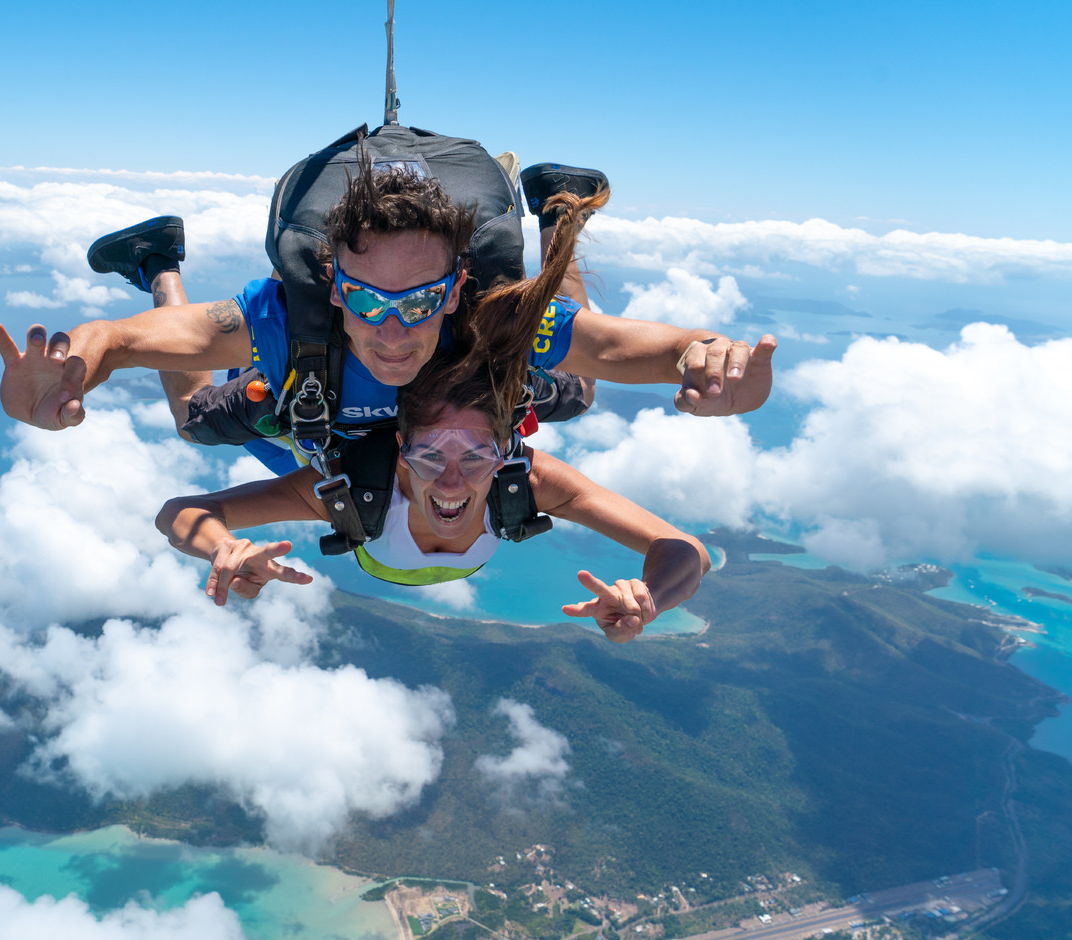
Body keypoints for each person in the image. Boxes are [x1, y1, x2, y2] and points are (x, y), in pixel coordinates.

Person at [154, 193, 711, 641]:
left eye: (474, 454)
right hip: (411, 410)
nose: (450, 480)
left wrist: (219, 545)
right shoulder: (520, 483)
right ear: (402, 451)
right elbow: (686, 552)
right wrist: (652, 597)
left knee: (196, 422)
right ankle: (163, 266)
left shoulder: (349, 490)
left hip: (348, 441)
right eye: (430, 454)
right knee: (577, 389)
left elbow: (181, 514)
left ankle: (560, 209)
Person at [0, 149, 776, 445]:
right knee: (198, 420)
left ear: (458, 289)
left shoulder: (492, 320)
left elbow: (644, 347)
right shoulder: (286, 315)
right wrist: (78, 364)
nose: (392, 331)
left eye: (420, 301)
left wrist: (708, 359)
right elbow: (122, 339)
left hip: (487, 346)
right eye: (367, 302)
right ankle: (159, 261)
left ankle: (558, 213)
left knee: (573, 376)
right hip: (329, 396)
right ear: (332, 288)